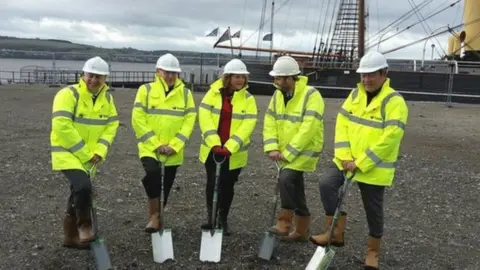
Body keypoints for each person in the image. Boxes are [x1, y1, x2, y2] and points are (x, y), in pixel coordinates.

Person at [309, 51, 409, 270]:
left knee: (373, 208)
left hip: (374, 167)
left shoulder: (394, 101)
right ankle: (335, 233)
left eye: (371, 75)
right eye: (363, 75)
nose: (366, 79)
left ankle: (373, 252)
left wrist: (361, 162)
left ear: (384, 73)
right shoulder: (355, 95)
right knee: (326, 184)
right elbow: (342, 124)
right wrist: (345, 157)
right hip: (346, 161)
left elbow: (390, 137)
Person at [50, 56, 119, 249]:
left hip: (91, 156)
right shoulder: (68, 94)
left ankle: (70, 238)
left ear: (105, 78)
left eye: (99, 77)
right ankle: (84, 225)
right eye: (91, 75)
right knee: (83, 187)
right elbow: (61, 126)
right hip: (67, 153)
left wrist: (99, 151)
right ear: (83, 74)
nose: (94, 80)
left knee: (77, 192)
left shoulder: (107, 98)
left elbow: (111, 125)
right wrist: (86, 154)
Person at [131, 53, 197, 233]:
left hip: (173, 150)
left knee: (166, 184)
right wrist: (155, 144)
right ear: (158, 71)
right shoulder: (146, 90)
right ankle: (154, 216)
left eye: (173, 73)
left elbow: (189, 121)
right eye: (166, 72)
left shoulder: (185, 94)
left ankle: (157, 216)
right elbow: (138, 119)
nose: (169, 76)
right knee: (152, 173)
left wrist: (174, 145)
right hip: (150, 147)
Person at [263, 55, 325, 242]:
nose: (279, 82)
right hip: (284, 152)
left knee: (286, 178)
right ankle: (301, 232)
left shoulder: (311, 95)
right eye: (277, 78)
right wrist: (272, 147)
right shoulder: (277, 95)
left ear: (293, 77)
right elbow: (270, 121)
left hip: (304, 151)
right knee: (295, 189)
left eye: (282, 78)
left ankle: (284, 221)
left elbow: (309, 127)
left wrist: (289, 153)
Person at [198, 59, 257, 236]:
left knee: (227, 185)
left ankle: (222, 218)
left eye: (243, 77)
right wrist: (215, 143)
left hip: (234, 152)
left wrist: (230, 146)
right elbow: (204, 118)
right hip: (212, 149)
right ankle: (211, 217)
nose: (240, 80)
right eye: (237, 76)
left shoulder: (248, 99)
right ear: (228, 77)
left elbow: (248, 124)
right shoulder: (212, 94)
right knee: (212, 183)